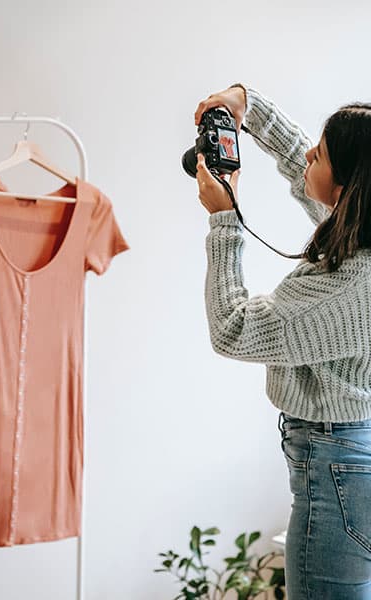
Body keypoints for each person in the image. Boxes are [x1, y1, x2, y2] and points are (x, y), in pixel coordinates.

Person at [194, 83, 371, 600]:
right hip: (346, 455)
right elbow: (303, 168)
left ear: (347, 185)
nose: (309, 155)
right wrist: (250, 107)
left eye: (322, 153)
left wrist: (223, 219)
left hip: (332, 465)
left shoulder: (348, 288)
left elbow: (232, 329)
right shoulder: (360, 231)